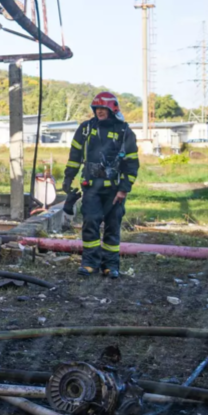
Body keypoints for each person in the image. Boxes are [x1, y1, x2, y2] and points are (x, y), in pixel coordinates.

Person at [61, 92, 140, 278]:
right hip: (91, 188)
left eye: (103, 109)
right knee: (90, 223)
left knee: (112, 226)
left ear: (112, 110)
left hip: (114, 190)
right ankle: (89, 264)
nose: (100, 112)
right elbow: (74, 156)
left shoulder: (124, 131)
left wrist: (124, 189)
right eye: (97, 109)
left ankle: (111, 266)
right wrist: (68, 178)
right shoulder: (86, 129)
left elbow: (132, 163)